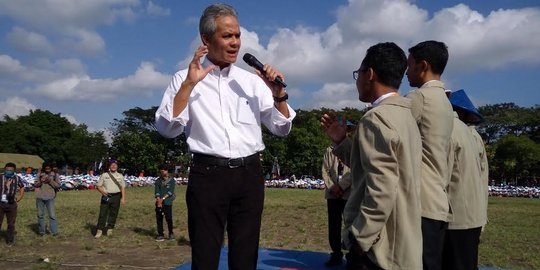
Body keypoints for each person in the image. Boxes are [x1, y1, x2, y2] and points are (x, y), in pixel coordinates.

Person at [155, 3, 295, 269]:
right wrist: (188, 85)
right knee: (205, 256)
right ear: (206, 40)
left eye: (238, 35)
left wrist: (278, 94)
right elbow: (167, 128)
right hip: (208, 175)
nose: (235, 43)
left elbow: (282, 128)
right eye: (227, 36)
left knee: (246, 256)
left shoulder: (252, 81)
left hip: (250, 174)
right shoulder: (183, 79)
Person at [321, 42, 422, 269]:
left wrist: (359, 239)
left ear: (370, 74)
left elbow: (381, 189)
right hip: (403, 240)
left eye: (358, 74)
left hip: (379, 248)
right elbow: (373, 167)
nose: (357, 81)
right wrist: (342, 142)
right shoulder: (407, 115)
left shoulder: (375, 119)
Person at [405, 40, 454, 270]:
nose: (406, 71)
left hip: (420, 202)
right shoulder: (444, 101)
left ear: (422, 66)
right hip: (438, 200)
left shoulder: (419, 99)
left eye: (409, 65)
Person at [442, 89, 489, 270]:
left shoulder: (449, 130)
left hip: (455, 216)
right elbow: (483, 175)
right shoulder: (475, 136)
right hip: (475, 213)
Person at [321, 124, 353, 266]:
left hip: (349, 193)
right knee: (333, 226)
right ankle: (336, 253)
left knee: (350, 224)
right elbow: (325, 170)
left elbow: (355, 170)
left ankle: (352, 254)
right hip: (332, 194)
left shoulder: (353, 149)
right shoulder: (329, 150)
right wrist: (333, 187)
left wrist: (342, 186)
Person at [94, 159, 126, 238]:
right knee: (103, 213)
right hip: (106, 196)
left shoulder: (120, 176)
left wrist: (123, 198)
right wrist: (102, 192)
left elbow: (123, 188)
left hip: (116, 196)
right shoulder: (104, 175)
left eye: (115, 165)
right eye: (112, 165)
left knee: (113, 213)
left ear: (117, 166)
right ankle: (99, 230)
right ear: (109, 166)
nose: (113, 166)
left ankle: (110, 229)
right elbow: (98, 186)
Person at [0, 162, 25, 245]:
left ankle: (9, 240)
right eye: (7, 170)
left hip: (12, 204)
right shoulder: (0, 177)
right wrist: (6, 186)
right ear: (4, 169)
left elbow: (22, 186)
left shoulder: (17, 178)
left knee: (11, 223)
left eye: (11, 170)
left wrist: (20, 196)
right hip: (1, 203)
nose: (9, 171)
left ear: (14, 170)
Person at [34, 161, 61, 236]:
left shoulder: (55, 175)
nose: (47, 169)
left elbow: (58, 186)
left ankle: (54, 232)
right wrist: (40, 181)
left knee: (52, 215)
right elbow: (35, 184)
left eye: (49, 167)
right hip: (40, 197)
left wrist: (50, 181)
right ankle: (41, 232)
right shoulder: (39, 174)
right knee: (40, 215)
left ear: (51, 168)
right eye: (46, 167)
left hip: (50, 197)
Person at [154, 163, 176, 241]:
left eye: (164, 171)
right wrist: (158, 199)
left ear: (167, 171)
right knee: (159, 218)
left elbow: (170, 192)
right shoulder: (158, 181)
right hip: (159, 202)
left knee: (169, 218)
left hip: (167, 202)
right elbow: (157, 191)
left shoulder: (172, 180)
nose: (163, 173)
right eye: (161, 171)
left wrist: (162, 199)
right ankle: (160, 234)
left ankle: (171, 233)